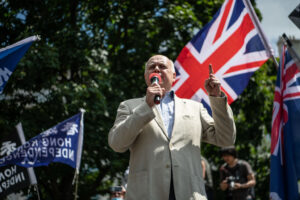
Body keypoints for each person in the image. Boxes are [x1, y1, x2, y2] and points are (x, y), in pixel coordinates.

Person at [108, 55, 236, 200]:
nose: (156, 68)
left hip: (189, 192)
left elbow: (226, 138)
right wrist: (146, 107)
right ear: (146, 76)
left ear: (173, 76)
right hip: (146, 193)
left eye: (162, 66)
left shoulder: (195, 107)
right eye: (152, 67)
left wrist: (216, 98)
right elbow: (116, 143)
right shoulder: (130, 106)